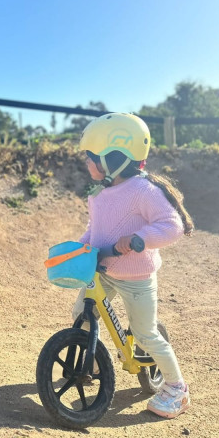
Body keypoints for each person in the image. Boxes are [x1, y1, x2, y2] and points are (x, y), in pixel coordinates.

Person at [72, 112, 194, 419]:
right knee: (82, 315)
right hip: (104, 271)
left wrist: (139, 239)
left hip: (137, 276)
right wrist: (81, 246)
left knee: (145, 334)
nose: (87, 163)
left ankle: (177, 389)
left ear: (115, 158)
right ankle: (93, 361)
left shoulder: (143, 190)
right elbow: (95, 229)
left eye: (92, 157)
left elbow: (172, 225)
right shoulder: (99, 194)